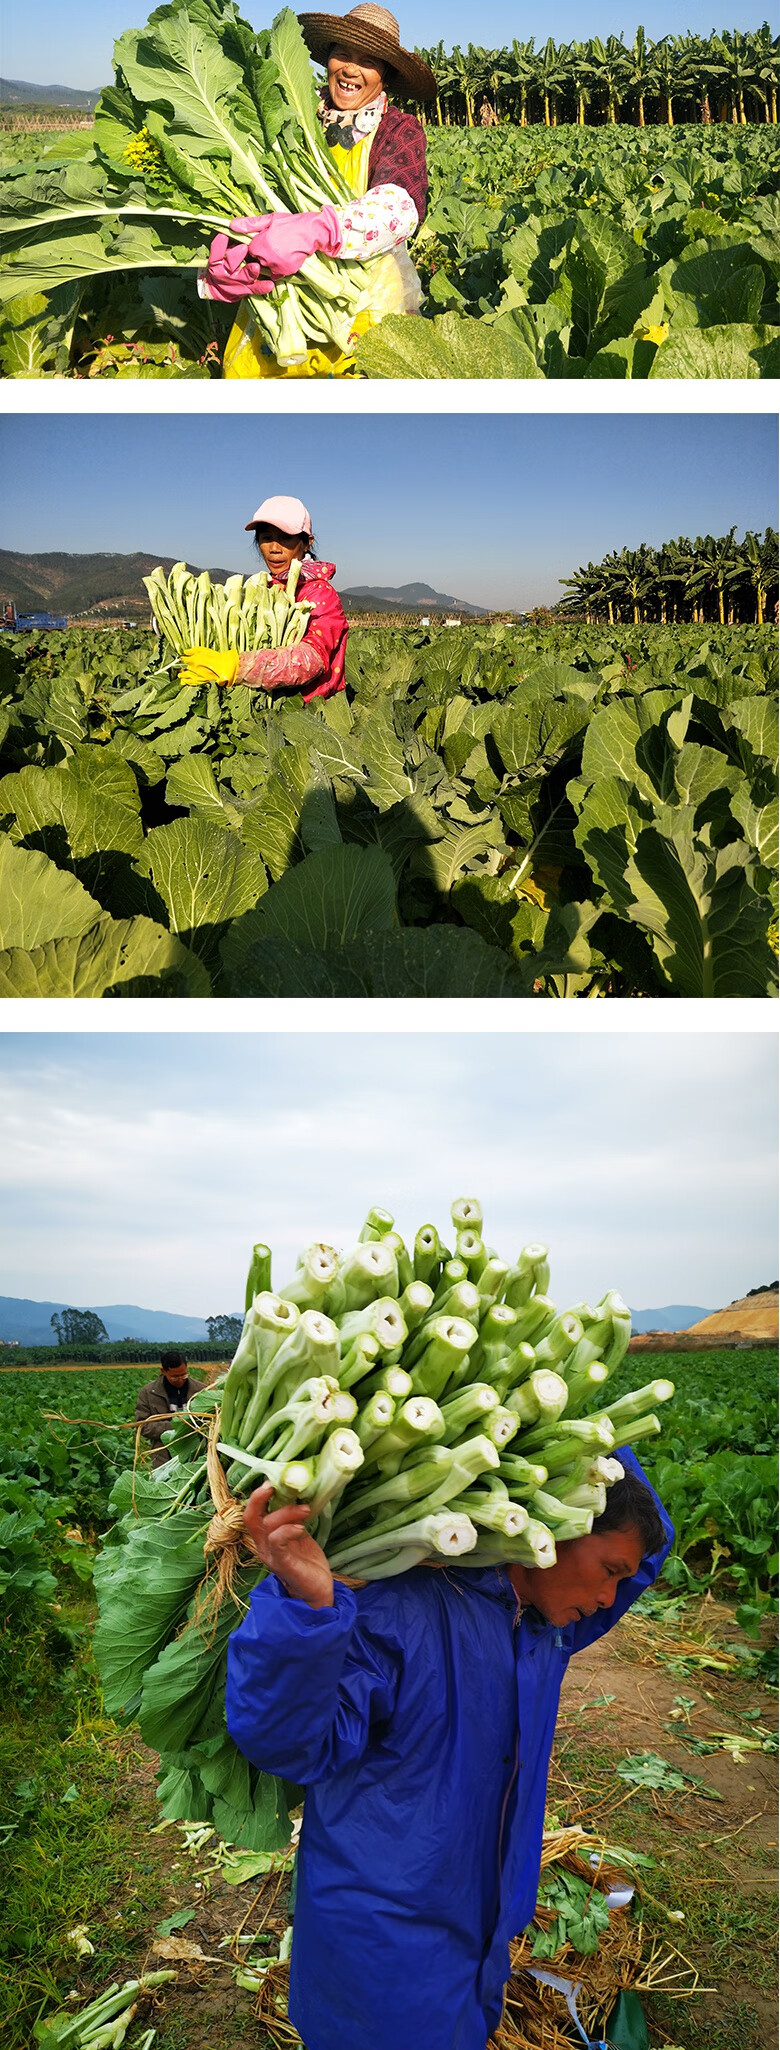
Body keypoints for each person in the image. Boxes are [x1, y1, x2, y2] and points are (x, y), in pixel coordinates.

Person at [225, 1454, 673, 2050]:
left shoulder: (543, 1630)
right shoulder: (395, 1609)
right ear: (558, 1530)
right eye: (611, 1571)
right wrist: (307, 1609)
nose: (611, 1596)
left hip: (482, 1931)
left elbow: (650, 1551)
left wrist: (582, 1445)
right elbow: (289, 1744)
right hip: (384, 1946)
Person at [201, 6, 437, 378]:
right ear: (327, 58)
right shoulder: (291, 118)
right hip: (280, 315)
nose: (350, 69)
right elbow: (247, 209)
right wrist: (226, 266)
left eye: (369, 60)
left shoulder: (399, 129)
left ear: (386, 76)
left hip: (368, 309)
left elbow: (400, 208)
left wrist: (319, 229)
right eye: (342, 53)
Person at [179, 496, 348, 701]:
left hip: (313, 715)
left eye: (285, 538)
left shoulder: (320, 594)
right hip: (264, 712)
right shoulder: (264, 588)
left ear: (306, 543)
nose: (274, 547)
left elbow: (310, 660)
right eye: (266, 537)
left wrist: (237, 667)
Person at [134, 1350, 205, 1467]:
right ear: (163, 1371)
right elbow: (142, 1426)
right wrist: (177, 1427)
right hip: (163, 1457)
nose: (181, 1380)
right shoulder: (148, 1393)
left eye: (183, 1375)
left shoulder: (201, 1390)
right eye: (175, 1377)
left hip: (197, 1455)